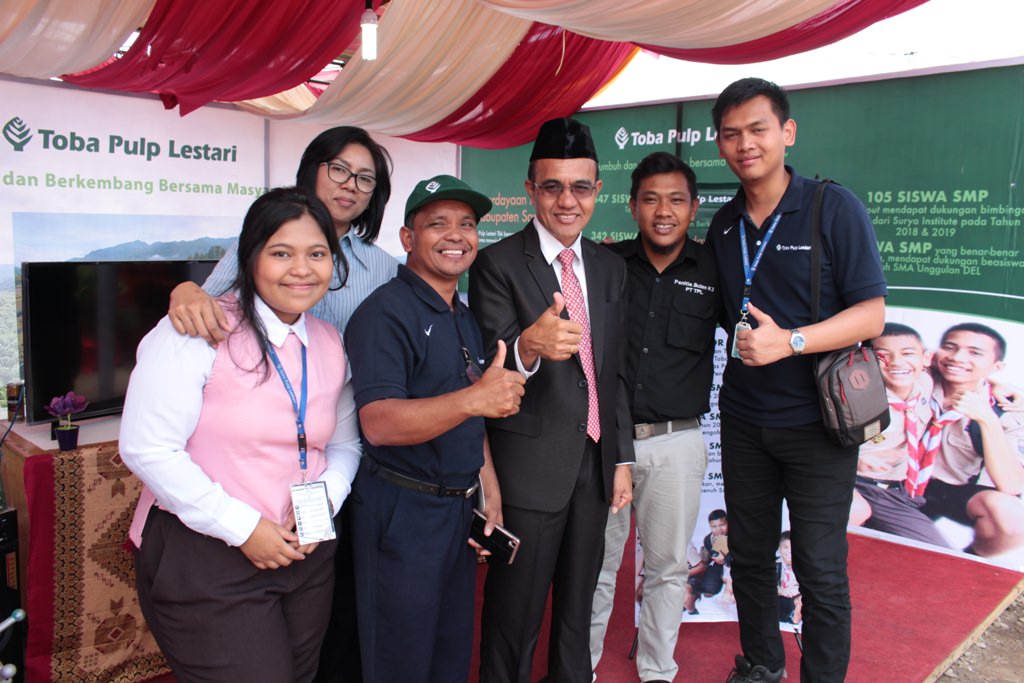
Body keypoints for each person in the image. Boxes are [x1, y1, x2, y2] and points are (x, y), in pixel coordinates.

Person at [166, 126, 397, 683]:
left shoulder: (383, 266)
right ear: (313, 169)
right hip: (259, 455)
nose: (350, 186)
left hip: (345, 447)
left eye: (365, 179)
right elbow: (212, 305)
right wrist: (183, 291)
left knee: (332, 601)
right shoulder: (266, 239)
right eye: (339, 169)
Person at [120, 187, 363, 682]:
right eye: (281, 253)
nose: (302, 268)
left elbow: (342, 443)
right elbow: (147, 448)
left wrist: (325, 499)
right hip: (207, 555)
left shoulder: (328, 340)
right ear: (250, 259)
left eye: (317, 254)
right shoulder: (195, 330)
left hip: (305, 551)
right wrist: (243, 528)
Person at [705, 77, 887, 683]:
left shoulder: (831, 207)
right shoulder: (725, 225)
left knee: (819, 568)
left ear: (787, 133)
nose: (744, 144)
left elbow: (871, 313)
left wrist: (792, 341)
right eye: (730, 134)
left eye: (757, 129)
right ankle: (760, 666)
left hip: (818, 426)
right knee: (750, 558)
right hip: (746, 423)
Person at [470, 117, 634, 683]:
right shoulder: (497, 264)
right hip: (529, 471)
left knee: (577, 614)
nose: (568, 201)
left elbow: (612, 374)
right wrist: (527, 347)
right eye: (553, 187)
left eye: (580, 187)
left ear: (597, 191)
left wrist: (620, 458)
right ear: (530, 190)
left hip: (594, 467)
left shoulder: (612, 268)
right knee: (513, 618)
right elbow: (491, 366)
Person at [343, 175, 526, 683]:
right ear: (407, 238)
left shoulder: (462, 315)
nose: (456, 235)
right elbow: (378, 423)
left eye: (467, 224)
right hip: (401, 512)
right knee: (399, 662)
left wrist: (487, 486)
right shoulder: (383, 315)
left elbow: (471, 409)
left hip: (455, 508)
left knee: (448, 658)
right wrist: (476, 398)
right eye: (437, 224)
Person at [588, 151, 718, 683]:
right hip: (605, 440)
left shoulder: (716, 269)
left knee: (668, 568)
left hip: (677, 443)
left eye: (676, 200)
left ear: (694, 208)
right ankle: (581, 668)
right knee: (594, 568)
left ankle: (658, 671)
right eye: (651, 199)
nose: (663, 211)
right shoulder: (606, 266)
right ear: (632, 206)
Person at [920, 323, 1024, 557]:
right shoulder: (917, 380)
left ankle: (969, 566)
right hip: (900, 483)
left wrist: (987, 419)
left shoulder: (1007, 409)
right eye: (950, 347)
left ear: (997, 366)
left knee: (1010, 518)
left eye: (974, 353)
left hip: (956, 491)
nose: (957, 357)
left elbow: (1012, 485)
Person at [848, 323, 950, 547]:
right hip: (850, 484)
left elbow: (966, 373)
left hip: (893, 492)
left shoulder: (924, 382)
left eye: (907, 354)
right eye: (882, 355)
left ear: (926, 359)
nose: (896, 362)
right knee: (853, 514)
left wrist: (1000, 387)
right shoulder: (857, 398)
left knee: (938, 553)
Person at [683, 509, 732, 615]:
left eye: (722, 525)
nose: (718, 529)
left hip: (734, 566)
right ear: (710, 527)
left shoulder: (734, 535)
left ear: (728, 523)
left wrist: (726, 557)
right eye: (714, 526)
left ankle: (728, 595)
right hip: (719, 566)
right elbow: (711, 556)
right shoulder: (708, 539)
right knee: (708, 591)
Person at [776, 532, 801, 625]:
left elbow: (804, 586)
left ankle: (795, 621)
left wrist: (793, 592)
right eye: (785, 547)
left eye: (792, 548)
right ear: (779, 548)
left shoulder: (801, 566)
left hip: (793, 597)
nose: (789, 551)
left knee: (802, 599)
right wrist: (782, 591)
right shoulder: (775, 564)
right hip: (778, 597)